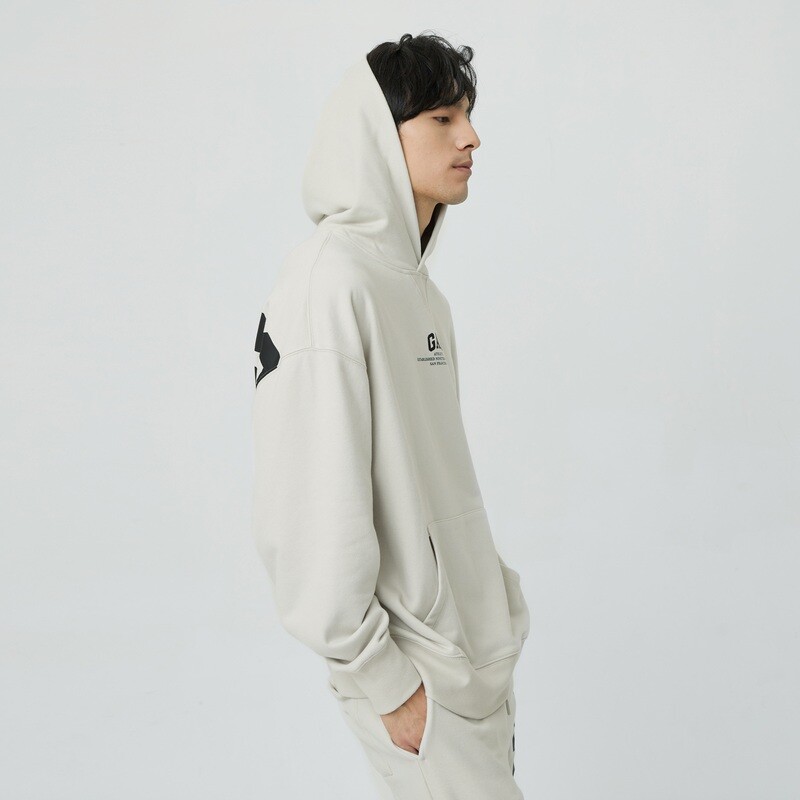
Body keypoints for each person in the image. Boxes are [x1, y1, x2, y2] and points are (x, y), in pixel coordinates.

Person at [251, 31, 531, 799]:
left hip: (472, 665)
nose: (471, 137)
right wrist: (384, 680)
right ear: (377, 135)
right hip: (419, 681)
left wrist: (494, 597)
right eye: (443, 118)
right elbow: (303, 510)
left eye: (467, 114)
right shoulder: (327, 285)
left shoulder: (418, 292)